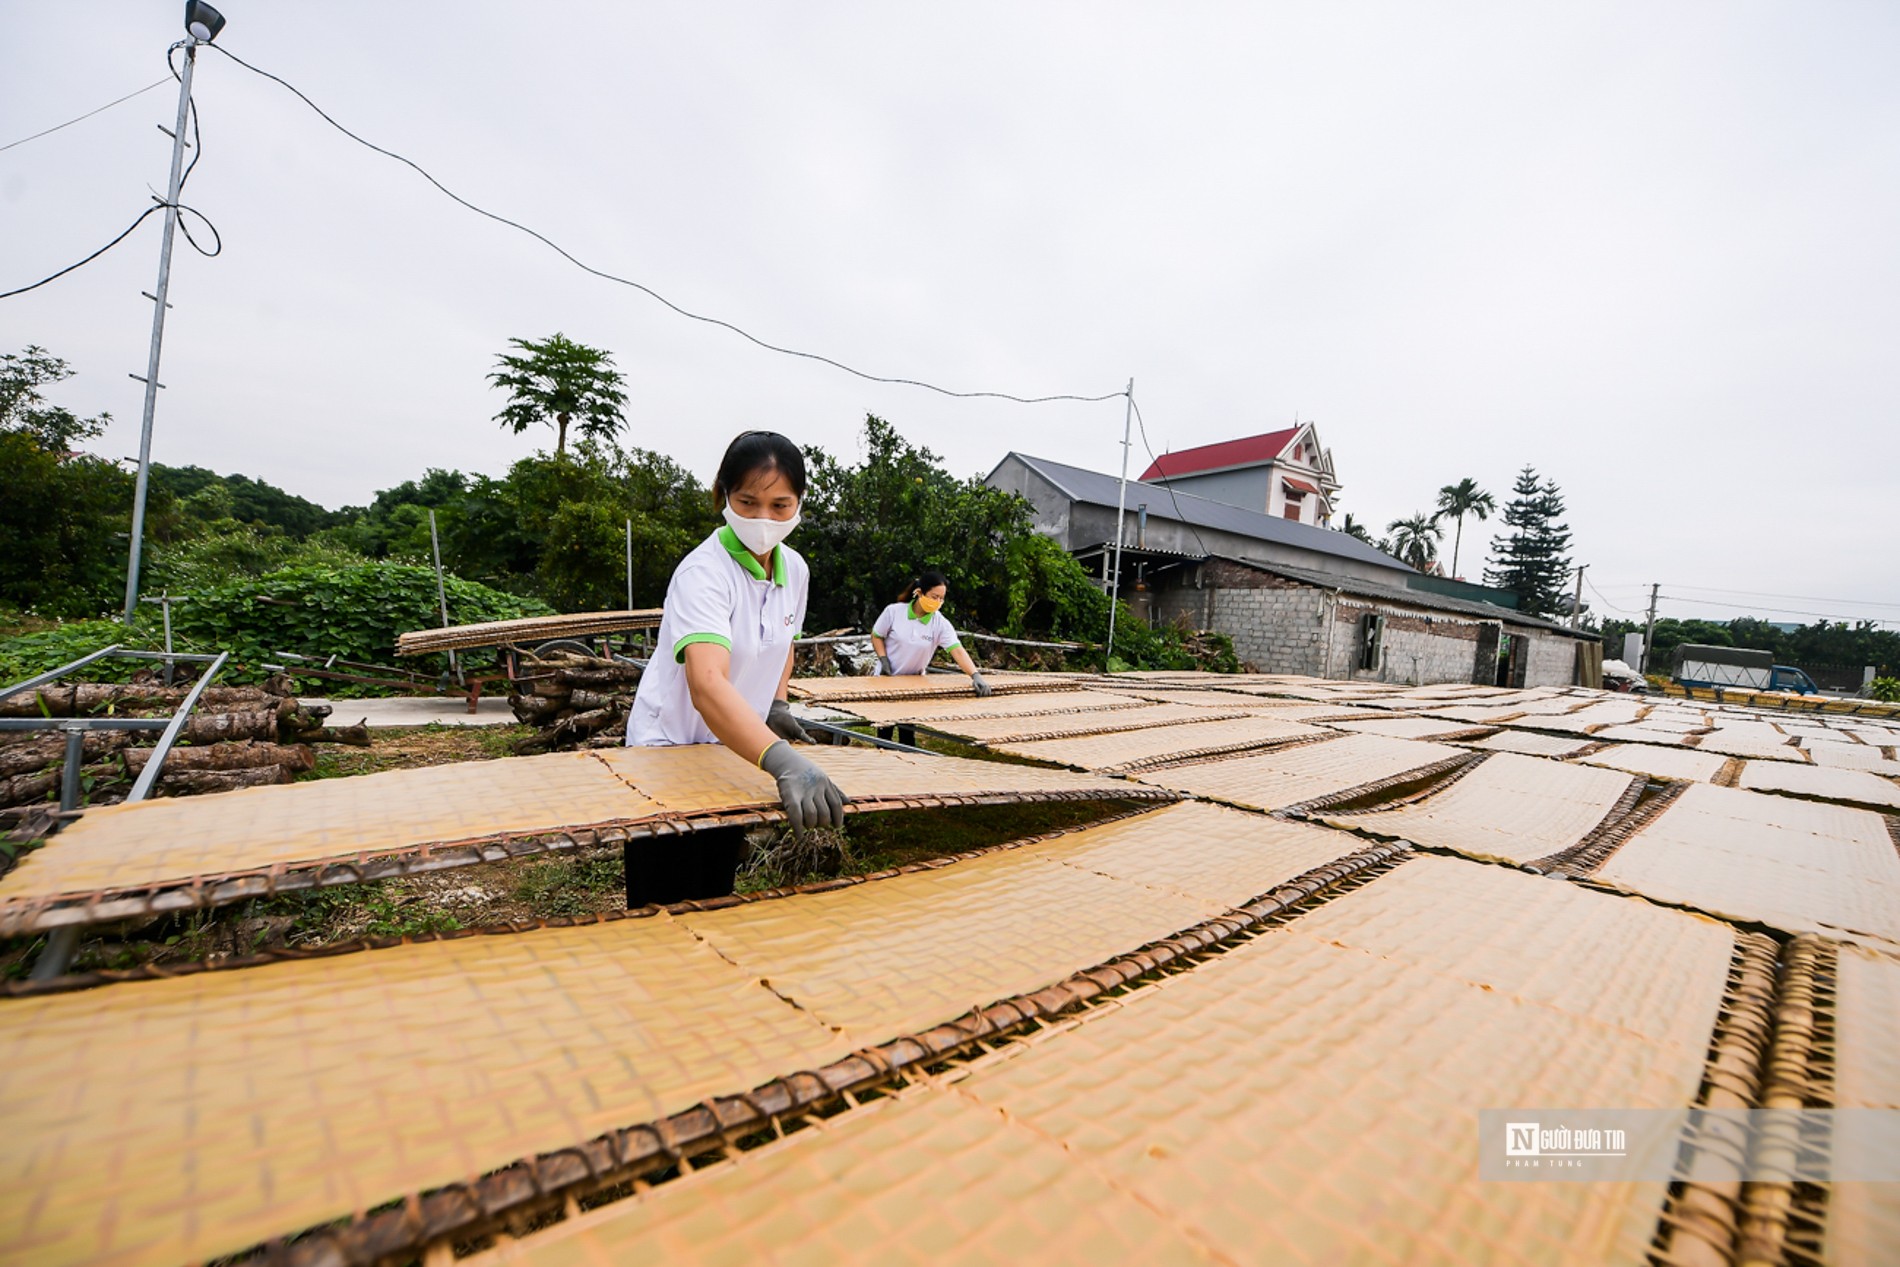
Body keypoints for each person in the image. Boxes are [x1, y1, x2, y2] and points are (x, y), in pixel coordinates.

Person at [622, 430, 844, 906]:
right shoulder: (705, 573)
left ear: (800, 503)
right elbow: (705, 683)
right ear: (723, 495)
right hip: (671, 747)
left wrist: (777, 702)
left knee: (715, 881)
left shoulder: (796, 570)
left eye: (780, 506)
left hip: (735, 742)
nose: (763, 519)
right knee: (665, 894)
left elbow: (784, 641)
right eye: (747, 502)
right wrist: (782, 759)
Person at [869, 571, 992, 745]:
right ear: (920, 593)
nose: (938, 603)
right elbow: (877, 635)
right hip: (886, 679)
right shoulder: (894, 612)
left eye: (941, 599)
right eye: (934, 597)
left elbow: (957, 650)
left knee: (907, 734)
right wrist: (883, 659)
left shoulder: (939, 624)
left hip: (913, 684)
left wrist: (975, 675)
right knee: (884, 732)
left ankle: (906, 768)